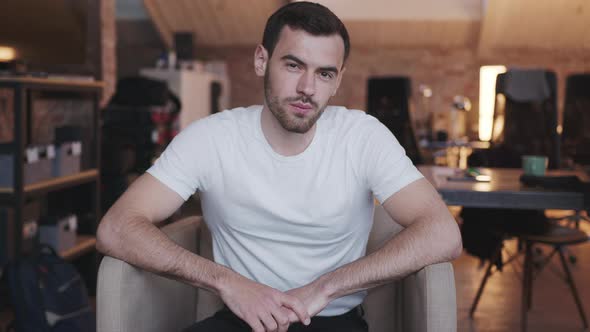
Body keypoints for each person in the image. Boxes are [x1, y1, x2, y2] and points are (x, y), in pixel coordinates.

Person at [96, 2, 462, 332]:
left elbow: (443, 232)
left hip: (334, 320)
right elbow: (116, 227)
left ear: (337, 80)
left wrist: (323, 289)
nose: (307, 88)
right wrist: (227, 282)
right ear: (261, 61)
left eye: (324, 74)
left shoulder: (363, 137)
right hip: (240, 317)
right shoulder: (211, 138)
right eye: (293, 65)